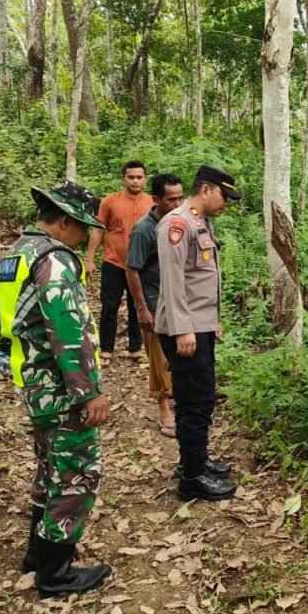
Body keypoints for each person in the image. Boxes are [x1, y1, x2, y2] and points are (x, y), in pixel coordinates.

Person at [0, 181, 112, 597]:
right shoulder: (56, 260)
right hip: (60, 386)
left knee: (50, 466)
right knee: (76, 472)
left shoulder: (16, 253)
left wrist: (7, 351)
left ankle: (37, 555)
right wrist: (89, 392)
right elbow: (69, 331)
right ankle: (56, 574)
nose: (86, 236)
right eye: (83, 228)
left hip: (34, 382)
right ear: (65, 221)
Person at [156, 165, 241, 501]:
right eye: (224, 196)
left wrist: (211, 320)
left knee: (200, 399)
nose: (227, 204)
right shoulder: (177, 223)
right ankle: (191, 478)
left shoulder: (200, 221)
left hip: (199, 325)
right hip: (185, 330)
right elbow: (174, 282)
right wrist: (184, 331)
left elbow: (201, 279)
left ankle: (195, 459)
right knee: (195, 402)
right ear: (206, 189)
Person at [125, 173, 184, 437]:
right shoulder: (143, 229)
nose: (177, 203)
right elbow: (132, 270)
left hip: (179, 302)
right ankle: (164, 408)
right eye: (171, 199)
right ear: (156, 199)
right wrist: (141, 308)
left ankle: (182, 400)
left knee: (181, 354)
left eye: (181, 197)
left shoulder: (180, 223)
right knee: (159, 359)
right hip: (153, 301)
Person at [85, 160, 154, 363]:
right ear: (123, 178)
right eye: (131, 177)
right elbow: (98, 230)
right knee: (109, 306)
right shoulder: (109, 201)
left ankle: (136, 348)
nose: (135, 181)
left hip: (142, 265)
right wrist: (90, 259)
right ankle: (106, 349)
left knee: (138, 306)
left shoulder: (153, 203)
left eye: (139, 177)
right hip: (114, 262)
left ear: (145, 179)